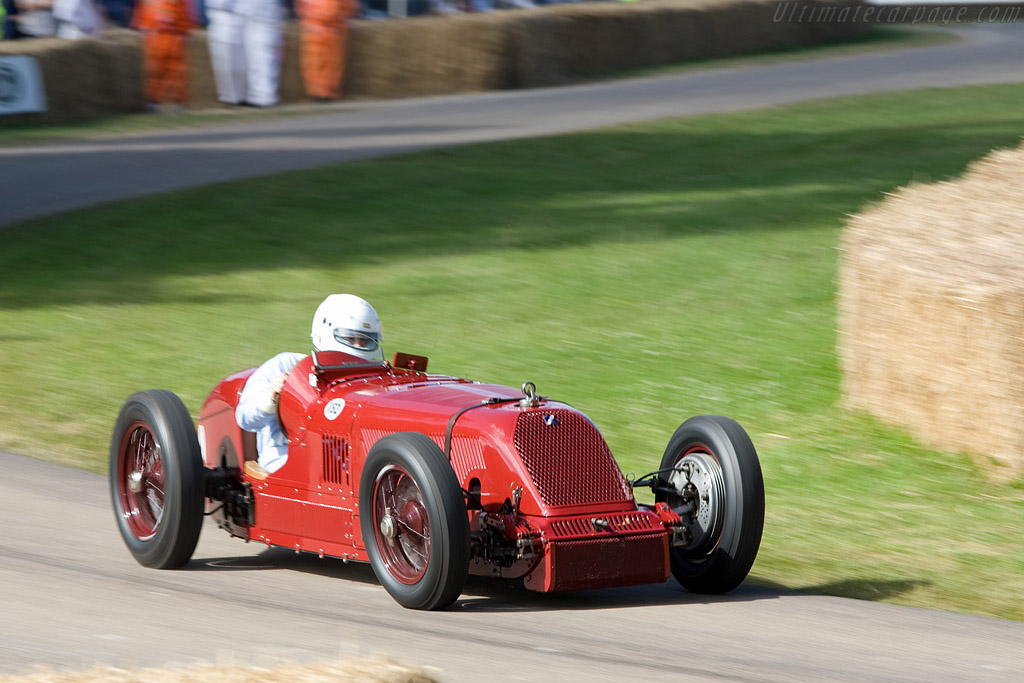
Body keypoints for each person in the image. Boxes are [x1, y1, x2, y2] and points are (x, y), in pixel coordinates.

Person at [236, 294, 384, 480]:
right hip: (284, 465)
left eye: (365, 340)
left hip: (345, 467)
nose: (358, 345)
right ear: (326, 333)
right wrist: (272, 397)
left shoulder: (372, 376)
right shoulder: (284, 365)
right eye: (350, 338)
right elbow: (244, 419)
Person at [133, 0, 196, 110]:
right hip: (155, 35)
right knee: (155, 70)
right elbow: (142, 12)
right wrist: (143, 29)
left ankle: (179, 102)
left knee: (178, 70)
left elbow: (185, 13)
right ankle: (153, 102)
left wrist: (185, 32)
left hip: (174, 35)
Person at [296, 0, 349, 102]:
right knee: (316, 63)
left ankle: (325, 92)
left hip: (328, 29)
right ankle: (321, 92)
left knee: (329, 63)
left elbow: (346, 7)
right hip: (319, 29)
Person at [237, 0, 284, 107]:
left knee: (264, 65)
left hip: (263, 29)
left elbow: (245, 10)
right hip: (258, 28)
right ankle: (258, 96)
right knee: (256, 65)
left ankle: (266, 97)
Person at [205, 0, 247, 105]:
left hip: (239, 17)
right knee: (224, 61)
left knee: (240, 63)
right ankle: (228, 97)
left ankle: (241, 95)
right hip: (219, 17)